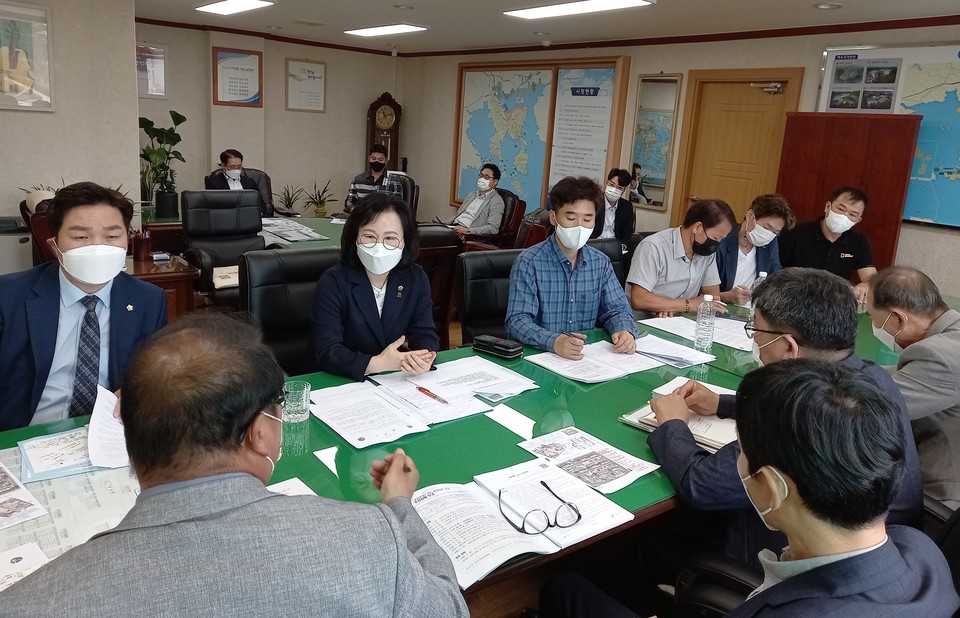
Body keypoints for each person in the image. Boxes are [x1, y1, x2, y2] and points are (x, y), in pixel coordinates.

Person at [0, 315, 468, 617]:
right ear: (259, 432)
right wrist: (401, 509)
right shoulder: (369, 537)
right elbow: (448, 608)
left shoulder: (29, 603)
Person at [537, 360, 959, 617]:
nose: (735, 461)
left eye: (740, 453)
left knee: (563, 587)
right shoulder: (923, 552)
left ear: (770, 488)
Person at [650, 268, 922, 568]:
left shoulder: (795, 409)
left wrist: (673, 424)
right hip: (889, 549)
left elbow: (702, 485)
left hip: (806, 558)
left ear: (789, 346)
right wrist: (722, 403)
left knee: (653, 545)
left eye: (756, 331)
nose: (754, 340)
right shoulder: (871, 377)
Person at [0, 182, 167, 431]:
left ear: (127, 240)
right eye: (80, 237)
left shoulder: (148, 300)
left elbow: (156, 371)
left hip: (106, 434)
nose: (97, 247)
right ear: (54, 244)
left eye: (112, 236)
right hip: (23, 435)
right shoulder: (8, 296)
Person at [505, 176, 638, 360]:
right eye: (570, 217)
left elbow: (617, 309)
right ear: (554, 218)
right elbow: (517, 321)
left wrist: (624, 330)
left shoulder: (600, 263)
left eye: (587, 218)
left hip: (584, 359)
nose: (579, 226)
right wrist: (553, 341)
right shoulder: (529, 262)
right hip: (540, 358)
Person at [310, 193, 438, 381]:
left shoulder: (415, 277)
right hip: (340, 380)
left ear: (405, 242)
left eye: (390, 238)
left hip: (393, 381)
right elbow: (326, 350)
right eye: (369, 236)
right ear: (355, 237)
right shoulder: (333, 281)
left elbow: (425, 332)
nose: (379, 246)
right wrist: (377, 363)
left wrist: (424, 357)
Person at [867, 266, 960, 508]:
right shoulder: (951, 334)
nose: (875, 328)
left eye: (874, 320)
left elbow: (873, 406)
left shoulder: (939, 355)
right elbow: (901, 376)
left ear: (898, 319)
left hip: (942, 495)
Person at [626, 199, 735, 318]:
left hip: (680, 321)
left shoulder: (706, 253)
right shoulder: (653, 247)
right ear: (697, 227)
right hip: (643, 322)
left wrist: (672, 307)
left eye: (721, 239)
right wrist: (689, 305)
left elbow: (713, 296)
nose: (717, 244)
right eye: (716, 237)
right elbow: (639, 299)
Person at [777, 185, 876, 302]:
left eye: (852, 215)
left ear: (858, 220)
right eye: (841, 209)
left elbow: (872, 279)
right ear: (828, 207)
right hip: (793, 299)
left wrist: (866, 285)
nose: (844, 217)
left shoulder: (858, 242)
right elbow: (776, 270)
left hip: (834, 304)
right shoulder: (795, 233)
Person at [715, 194, 795, 305]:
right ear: (750, 216)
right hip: (719, 307)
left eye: (775, 232)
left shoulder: (771, 243)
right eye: (766, 228)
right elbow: (702, 291)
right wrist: (726, 297)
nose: (768, 235)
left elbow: (776, 280)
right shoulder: (722, 239)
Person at [343, 144, 404, 214]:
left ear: (386, 161)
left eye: (380, 160)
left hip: (384, 219)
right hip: (362, 218)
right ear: (369, 158)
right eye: (374, 159)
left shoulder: (393, 180)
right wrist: (355, 211)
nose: (376, 162)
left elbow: (398, 205)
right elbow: (349, 202)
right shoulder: (358, 179)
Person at [448, 163, 505, 236]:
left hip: (468, 235)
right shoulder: (472, 195)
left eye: (486, 177)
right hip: (454, 228)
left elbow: (493, 228)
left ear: (495, 182)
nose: (482, 179)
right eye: (481, 175)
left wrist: (467, 231)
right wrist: (441, 224)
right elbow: (458, 215)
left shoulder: (496, 201)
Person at [590, 168, 634, 247]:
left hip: (615, 246)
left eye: (619, 188)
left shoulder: (627, 206)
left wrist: (623, 246)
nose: (614, 190)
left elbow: (627, 234)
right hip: (594, 244)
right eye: (612, 185)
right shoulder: (594, 202)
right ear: (606, 183)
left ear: (623, 191)